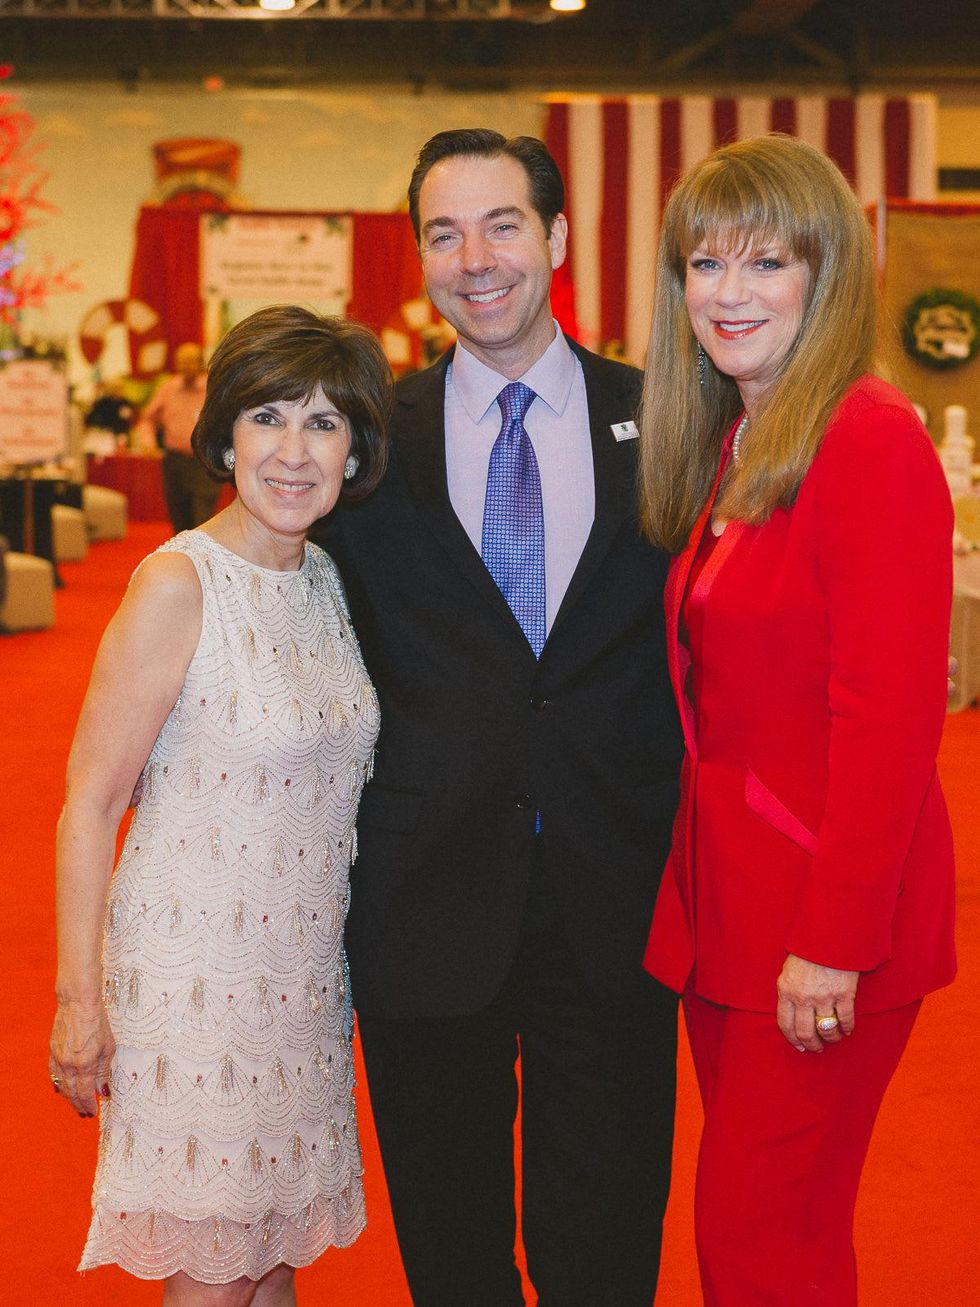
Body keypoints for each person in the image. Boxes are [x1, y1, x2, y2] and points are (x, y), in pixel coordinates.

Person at [309, 129, 683, 1306]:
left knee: (605, 1248)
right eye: (442, 230)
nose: (474, 258)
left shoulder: (669, 416)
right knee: (452, 1255)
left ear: (557, 237)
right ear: (417, 252)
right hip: (424, 899)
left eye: (502, 223)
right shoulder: (366, 442)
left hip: (616, 891)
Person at [637, 133, 956, 1306]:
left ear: (826, 278)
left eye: (765, 262)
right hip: (728, 912)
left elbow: (887, 716)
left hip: (819, 929)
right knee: (783, 1235)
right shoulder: (734, 437)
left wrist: (831, 937)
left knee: (755, 1237)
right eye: (703, 263)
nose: (727, 293)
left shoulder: (865, 438)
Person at [48, 306, 391, 1306]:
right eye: (268, 416)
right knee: (216, 1273)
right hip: (196, 987)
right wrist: (78, 1001)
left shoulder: (324, 577)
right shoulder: (176, 583)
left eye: (324, 423)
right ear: (224, 435)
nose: (293, 450)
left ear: (355, 449)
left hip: (299, 983)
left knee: (270, 1257)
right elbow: (86, 801)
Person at [138, 342, 218, 532]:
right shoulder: (168, 389)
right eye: (181, 362)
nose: (184, 367)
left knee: (202, 518)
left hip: (204, 462)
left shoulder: (213, 389)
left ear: (200, 363)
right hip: (174, 461)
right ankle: (183, 559)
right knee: (178, 517)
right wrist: (148, 442)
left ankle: (202, 558)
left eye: (189, 362)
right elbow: (147, 419)